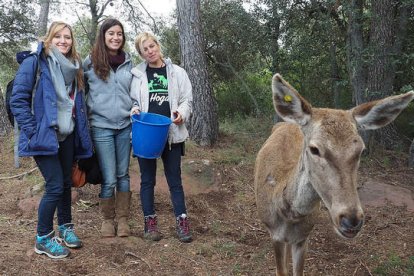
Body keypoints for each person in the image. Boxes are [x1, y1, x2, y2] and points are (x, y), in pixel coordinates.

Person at [10, 21, 93, 259]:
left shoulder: (74, 67)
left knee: (65, 183)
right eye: (58, 36)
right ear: (49, 38)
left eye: (67, 37)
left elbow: (76, 104)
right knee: (55, 185)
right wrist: (33, 131)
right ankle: (43, 238)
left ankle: (66, 228)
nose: (63, 41)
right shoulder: (34, 62)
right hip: (44, 136)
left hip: (67, 135)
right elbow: (18, 99)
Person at [130, 32, 193, 243]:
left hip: (172, 134)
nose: (149, 51)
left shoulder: (177, 73)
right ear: (141, 53)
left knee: (174, 180)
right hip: (147, 134)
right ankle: (150, 223)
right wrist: (135, 108)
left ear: (158, 45)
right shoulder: (137, 75)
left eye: (151, 46)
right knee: (147, 180)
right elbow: (132, 101)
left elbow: (186, 101)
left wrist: (181, 114)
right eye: (144, 49)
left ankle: (182, 221)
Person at [83, 18, 133, 238]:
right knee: (109, 176)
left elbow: (136, 93)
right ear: (103, 36)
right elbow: (78, 93)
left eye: (119, 34)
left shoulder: (129, 63)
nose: (115, 37)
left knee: (123, 174)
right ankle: (107, 220)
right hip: (101, 126)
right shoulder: (90, 62)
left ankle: (123, 220)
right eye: (111, 33)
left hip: (125, 126)